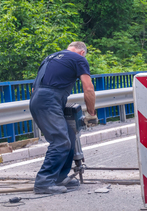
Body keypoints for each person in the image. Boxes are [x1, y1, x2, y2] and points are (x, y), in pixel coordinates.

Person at [29, 41, 97, 194]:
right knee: (60, 140)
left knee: (69, 136)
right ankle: (44, 181)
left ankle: (59, 178)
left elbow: (34, 87)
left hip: (38, 98)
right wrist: (91, 113)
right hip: (49, 100)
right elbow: (88, 88)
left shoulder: (50, 58)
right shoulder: (78, 59)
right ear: (82, 52)